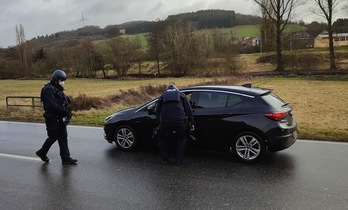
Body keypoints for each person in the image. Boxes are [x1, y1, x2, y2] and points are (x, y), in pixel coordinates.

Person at [36, 69, 77, 165]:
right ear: (56, 79)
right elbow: (51, 104)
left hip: (60, 118)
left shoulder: (58, 89)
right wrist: (63, 110)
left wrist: (67, 110)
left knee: (63, 137)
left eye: (63, 80)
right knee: (53, 137)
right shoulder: (48, 89)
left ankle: (65, 157)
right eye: (61, 80)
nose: (62, 82)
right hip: (52, 118)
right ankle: (42, 152)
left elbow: (62, 101)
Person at [155, 84, 194, 166]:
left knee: (161, 137)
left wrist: (159, 123)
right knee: (182, 139)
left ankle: (165, 160)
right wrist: (192, 122)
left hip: (165, 122)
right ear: (177, 89)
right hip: (180, 121)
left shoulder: (162, 97)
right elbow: (189, 110)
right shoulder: (182, 96)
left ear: (166, 90)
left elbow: (157, 111)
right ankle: (179, 161)